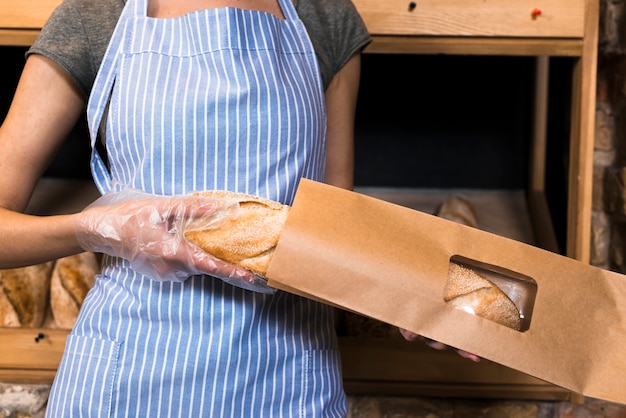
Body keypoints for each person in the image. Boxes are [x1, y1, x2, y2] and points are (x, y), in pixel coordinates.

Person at [0, 0, 476, 414]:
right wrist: (98, 228)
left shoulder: (323, 16)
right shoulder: (96, 16)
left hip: (289, 382)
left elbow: (336, 232)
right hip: (127, 377)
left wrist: (410, 295)